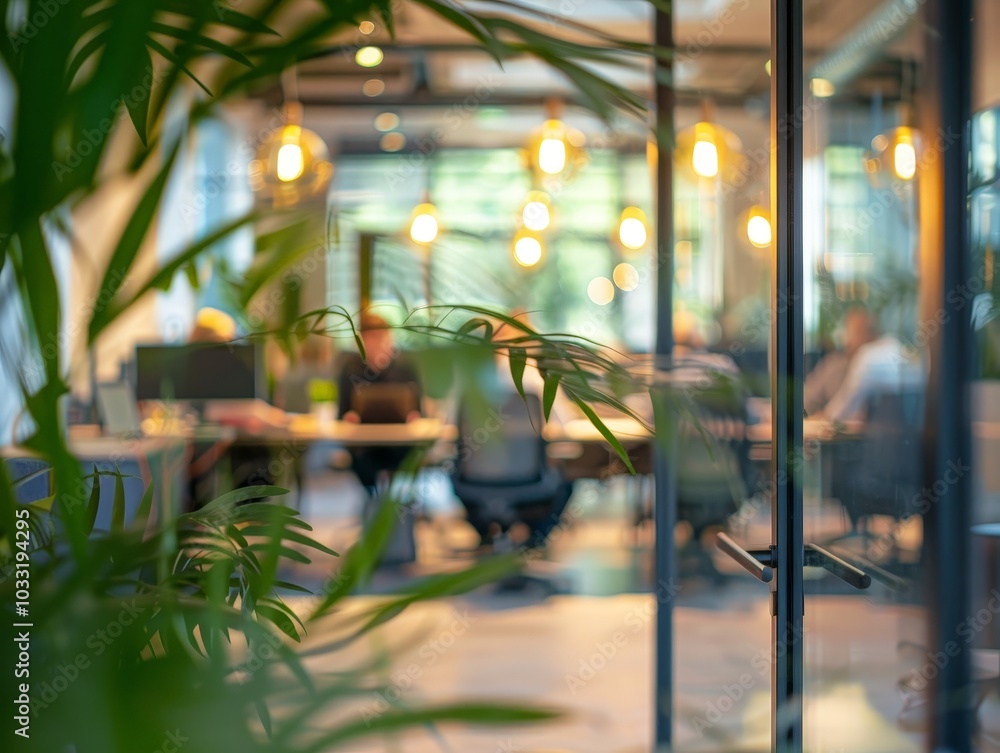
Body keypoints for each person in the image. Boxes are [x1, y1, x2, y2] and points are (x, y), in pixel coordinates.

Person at [336, 312, 422, 491]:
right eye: (371, 338)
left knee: (405, 461)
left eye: (382, 337)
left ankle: (392, 503)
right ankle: (373, 502)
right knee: (364, 463)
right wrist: (349, 417)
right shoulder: (350, 368)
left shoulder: (405, 366)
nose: (378, 343)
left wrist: (414, 416)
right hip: (364, 445)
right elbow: (341, 413)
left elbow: (419, 411)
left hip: (400, 443)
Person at [804, 305, 877, 417]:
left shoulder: (877, 369)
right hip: (826, 430)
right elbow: (807, 399)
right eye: (853, 331)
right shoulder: (833, 365)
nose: (850, 337)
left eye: (861, 331)